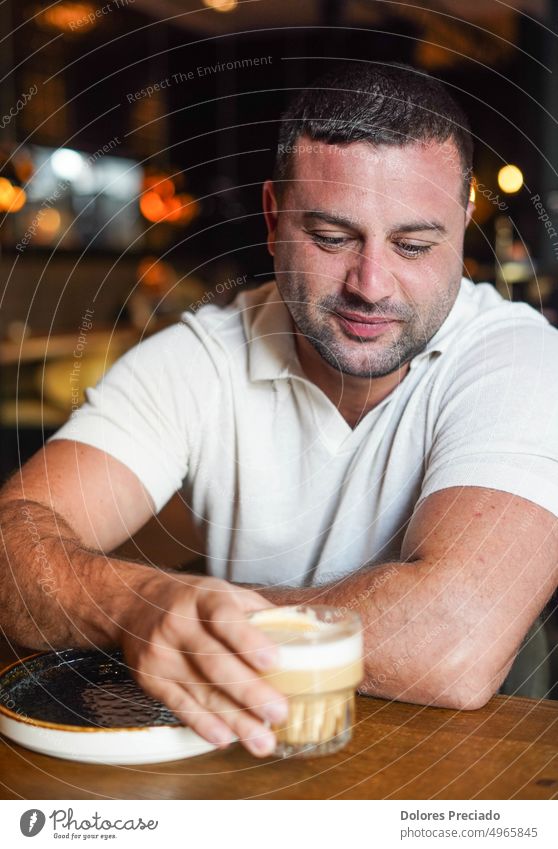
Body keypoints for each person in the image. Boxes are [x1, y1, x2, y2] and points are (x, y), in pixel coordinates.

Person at [1, 63, 558, 758]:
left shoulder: (521, 358)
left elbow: (452, 639)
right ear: (272, 219)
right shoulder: (203, 355)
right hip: (240, 768)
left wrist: (206, 622)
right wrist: (137, 605)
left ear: (462, 224)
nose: (371, 285)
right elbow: (11, 548)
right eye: (331, 237)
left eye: (414, 244)